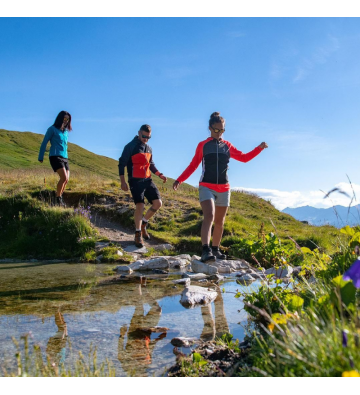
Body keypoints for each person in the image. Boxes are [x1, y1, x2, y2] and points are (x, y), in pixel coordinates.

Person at [173, 112, 268, 263]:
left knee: (220, 221)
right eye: (216, 130)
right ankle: (205, 250)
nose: (219, 133)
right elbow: (193, 165)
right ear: (210, 128)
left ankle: (216, 250)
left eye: (222, 130)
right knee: (209, 216)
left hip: (224, 187)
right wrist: (180, 180)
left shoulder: (227, 146)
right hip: (206, 186)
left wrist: (259, 148)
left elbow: (244, 158)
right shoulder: (203, 145)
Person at [118, 124, 167, 248]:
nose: (146, 139)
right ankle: (138, 233)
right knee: (140, 205)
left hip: (148, 180)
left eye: (148, 137)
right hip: (135, 181)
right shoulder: (130, 146)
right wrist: (123, 181)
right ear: (139, 133)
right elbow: (121, 164)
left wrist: (160, 174)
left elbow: (151, 164)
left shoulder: (149, 148)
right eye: (144, 136)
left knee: (158, 203)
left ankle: (144, 223)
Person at [38, 111, 72, 206]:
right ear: (60, 118)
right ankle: (58, 198)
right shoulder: (52, 129)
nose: (66, 121)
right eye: (65, 119)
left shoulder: (65, 132)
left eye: (68, 119)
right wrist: (41, 156)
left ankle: (59, 198)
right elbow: (44, 142)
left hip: (65, 157)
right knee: (63, 177)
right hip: (55, 156)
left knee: (66, 180)